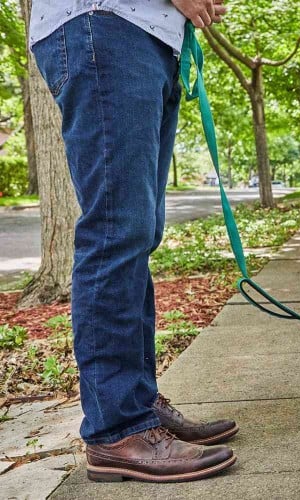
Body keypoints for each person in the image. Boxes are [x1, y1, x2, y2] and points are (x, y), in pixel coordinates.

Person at [29, 0, 238, 483]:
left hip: (149, 38)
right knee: (115, 232)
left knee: (136, 234)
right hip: (102, 25)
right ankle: (117, 430)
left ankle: (137, 405)